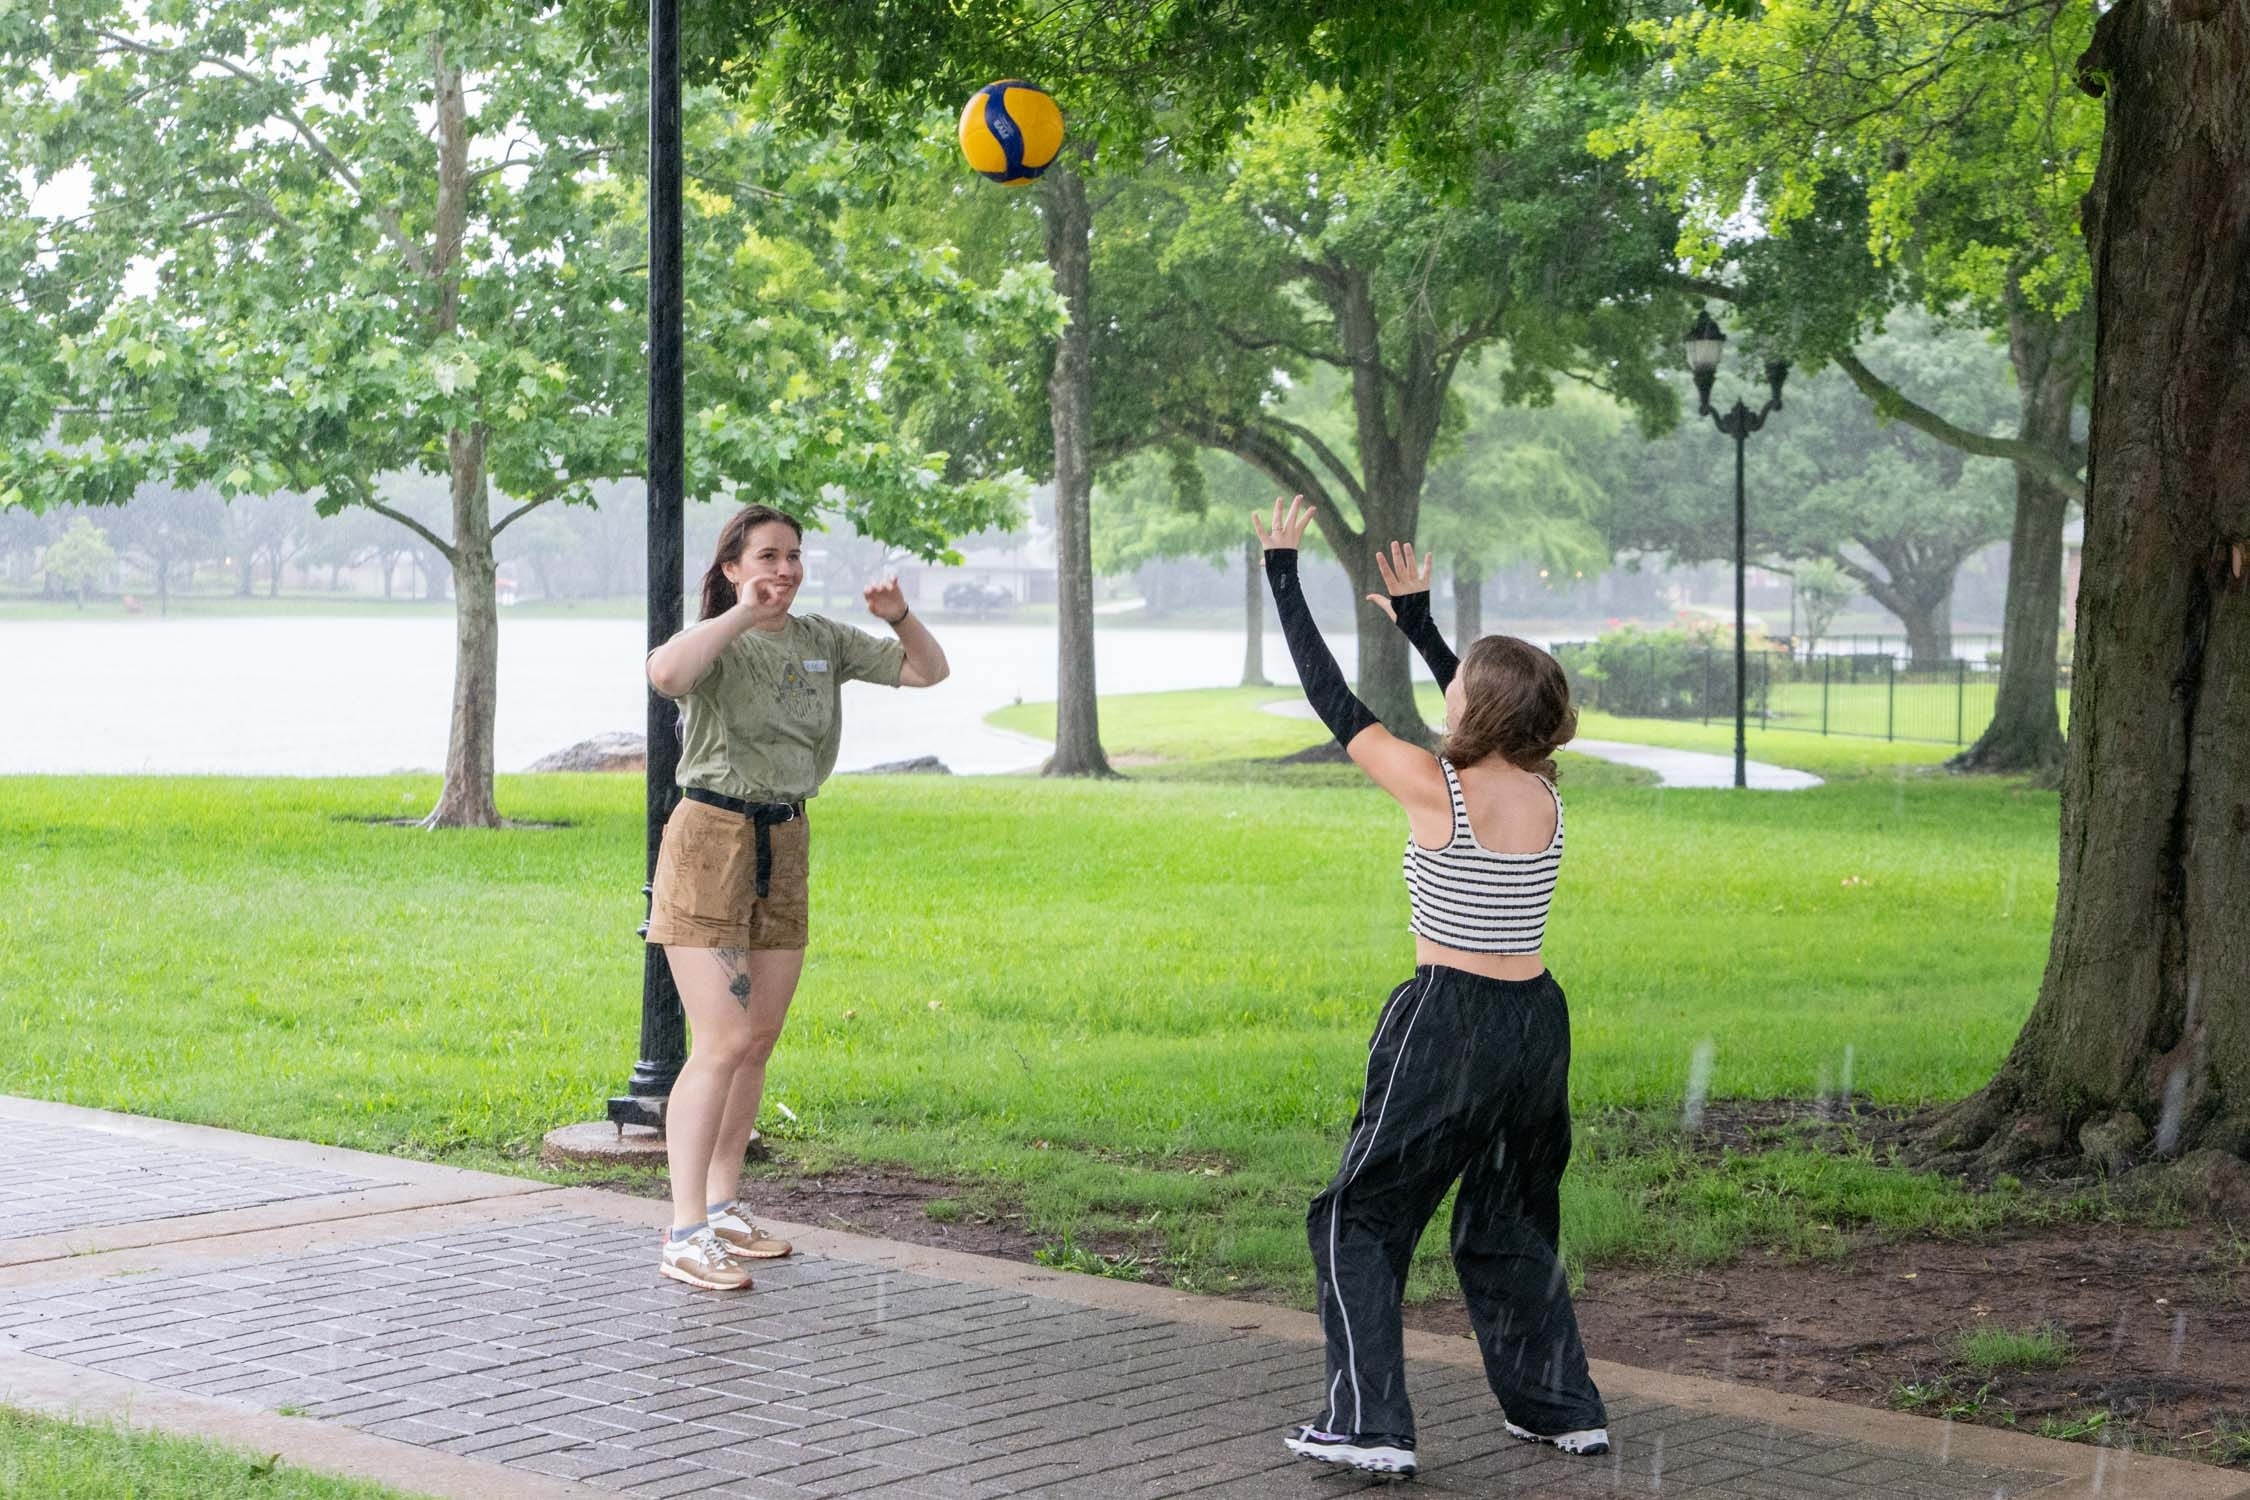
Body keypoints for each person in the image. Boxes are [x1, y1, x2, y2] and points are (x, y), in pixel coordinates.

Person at [1254, 496, 1609, 1479]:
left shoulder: (1433, 785)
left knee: (1357, 1217)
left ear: (1480, 713)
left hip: (1446, 1018)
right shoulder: (1542, 788)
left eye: (1461, 690)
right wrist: (1418, 625)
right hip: (1536, 1025)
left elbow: (1334, 701)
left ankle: (1368, 1423)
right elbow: (1499, 709)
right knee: (1509, 1220)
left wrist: (1283, 572)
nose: (1447, 697)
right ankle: (1561, 1409)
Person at [643, 504, 951, 1291]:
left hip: (786, 840)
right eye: (767, 557)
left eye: (793, 557)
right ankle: (683, 1232)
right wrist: (737, 614)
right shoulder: (718, 639)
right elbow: (667, 675)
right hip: (712, 838)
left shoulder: (822, 640)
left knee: (757, 1038)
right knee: (719, 1038)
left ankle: (723, 1205)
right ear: (734, 568)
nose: (784, 570)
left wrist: (900, 616)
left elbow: (927, 671)